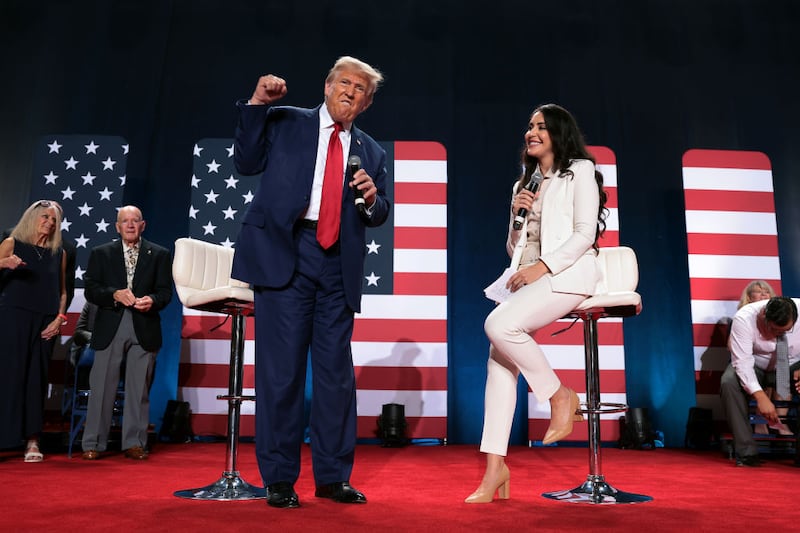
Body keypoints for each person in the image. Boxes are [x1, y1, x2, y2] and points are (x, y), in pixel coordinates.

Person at [232, 56, 390, 508]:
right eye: (345, 83)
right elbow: (246, 161)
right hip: (287, 253)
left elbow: (379, 212)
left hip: (339, 263)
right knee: (281, 373)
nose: (351, 92)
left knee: (336, 377)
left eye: (361, 90)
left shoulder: (372, 152)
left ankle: (333, 477)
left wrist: (372, 199)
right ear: (327, 86)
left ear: (367, 103)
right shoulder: (286, 121)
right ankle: (280, 477)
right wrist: (257, 102)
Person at [466, 104, 608, 503]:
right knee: (499, 364)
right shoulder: (522, 186)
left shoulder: (579, 171)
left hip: (567, 275)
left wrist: (542, 267)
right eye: (529, 126)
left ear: (559, 133)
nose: (531, 132)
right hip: (526, 278)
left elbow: (584, 234)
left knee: (497, 325)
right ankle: (495, 469)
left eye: (541, 127)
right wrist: (517, 216)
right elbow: (515, 248)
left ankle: (560, 396)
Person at [80, 205, 172, 461]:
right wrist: (114, 294)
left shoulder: (160, 254)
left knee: (138, 389)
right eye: (125, 221)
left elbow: (165, 292)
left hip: (145, 325)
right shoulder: (101, 253)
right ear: (117, 226)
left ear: (143, 225)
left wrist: (153, 300)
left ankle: (134, 442)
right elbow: (91, 290)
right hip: (111, 325)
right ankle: (93, 443)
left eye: (135, 221)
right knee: (101, 388)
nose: (130, 225)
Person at [0, 200, 68, 462]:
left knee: (36, 379)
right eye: (45, 217)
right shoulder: (12, 243)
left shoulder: (59, 253)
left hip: (46, 322)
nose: (49, 223)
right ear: (32, 218)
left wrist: (59, 319)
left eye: (54, 220)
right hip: (12, 316)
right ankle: (5, 438)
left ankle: (32, 440)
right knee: (9, 376)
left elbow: (63, 291)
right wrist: (4, 263)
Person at [721, 296, 800, 466]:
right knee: (729, 382)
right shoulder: (744, 318)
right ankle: (747, 453)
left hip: (792, 365)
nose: (780, 334)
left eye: (787, 330)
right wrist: (760, 396)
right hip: (756, 365)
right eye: (775, 330)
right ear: (764, 315)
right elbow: (742, 362)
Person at [733, 280, 782, 435]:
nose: (764, 295)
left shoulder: (780, 318)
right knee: (755, 377)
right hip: (751, 362)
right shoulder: (742, 319)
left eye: (767, 292)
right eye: (759, 292)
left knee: (782, 374)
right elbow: (734, 349)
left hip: (774, 362)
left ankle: (780, 422)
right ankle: (761, 421)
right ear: (749, 297)